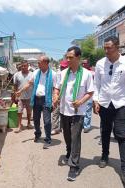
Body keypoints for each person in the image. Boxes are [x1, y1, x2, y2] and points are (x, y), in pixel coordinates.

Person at [93, 36, 125, 185]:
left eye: (109, 47)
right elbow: (96, 84)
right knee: (104, 131)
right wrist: (96, 100)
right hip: (105, 103)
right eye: (104, 48)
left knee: (121, 134)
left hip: (121, 103)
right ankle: (105, 155)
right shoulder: (100, 64)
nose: (106, 50)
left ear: (117, 47)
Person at [53, 46, 94, 181]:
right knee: (67, 136)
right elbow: (57, 88)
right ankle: (69, 152)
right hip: (64, 110)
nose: (68, 59)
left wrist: (81, 102)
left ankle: (74, 166)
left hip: (78, 112)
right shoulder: (63, 73)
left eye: (71, 57)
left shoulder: (87, 74)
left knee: (75, 138)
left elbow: (90, 92)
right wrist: (55, 96)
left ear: (78, 58)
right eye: (67, 57)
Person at [16, 55, 57, 149]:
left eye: (39, 62)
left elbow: (56, 88)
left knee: (47, 121)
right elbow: (29, 84)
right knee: (36, 119)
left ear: (46, 63)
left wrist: (55, 99)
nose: (37, 64)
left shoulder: (53, 74)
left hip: (46, 100)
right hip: (36, 99)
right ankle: (38, 134)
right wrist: (20, 91)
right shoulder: (36, 73)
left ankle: (48, 139)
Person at [13, 60, 33, 133]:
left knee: (29, 111)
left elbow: (32, 84)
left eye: (25, 66)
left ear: (28, 66)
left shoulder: (32, 74)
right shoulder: (17, 75)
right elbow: (15, 85)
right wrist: (15, 95)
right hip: (20, 97)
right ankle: (19, 125)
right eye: (22, 66)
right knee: (19, 111)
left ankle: (28, 123)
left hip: (29, 96)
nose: (23, 67)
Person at [51, 60, 69, 135]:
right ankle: (55, 128)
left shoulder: (70, 74)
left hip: (66, 96)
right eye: (62, 66)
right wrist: (55, 96)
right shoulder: (57, 74)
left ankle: (62, 127)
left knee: (64, 113)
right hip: (57, 95)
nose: (63, 68)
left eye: (64, 67)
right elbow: (54, 86)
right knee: (55, 112)